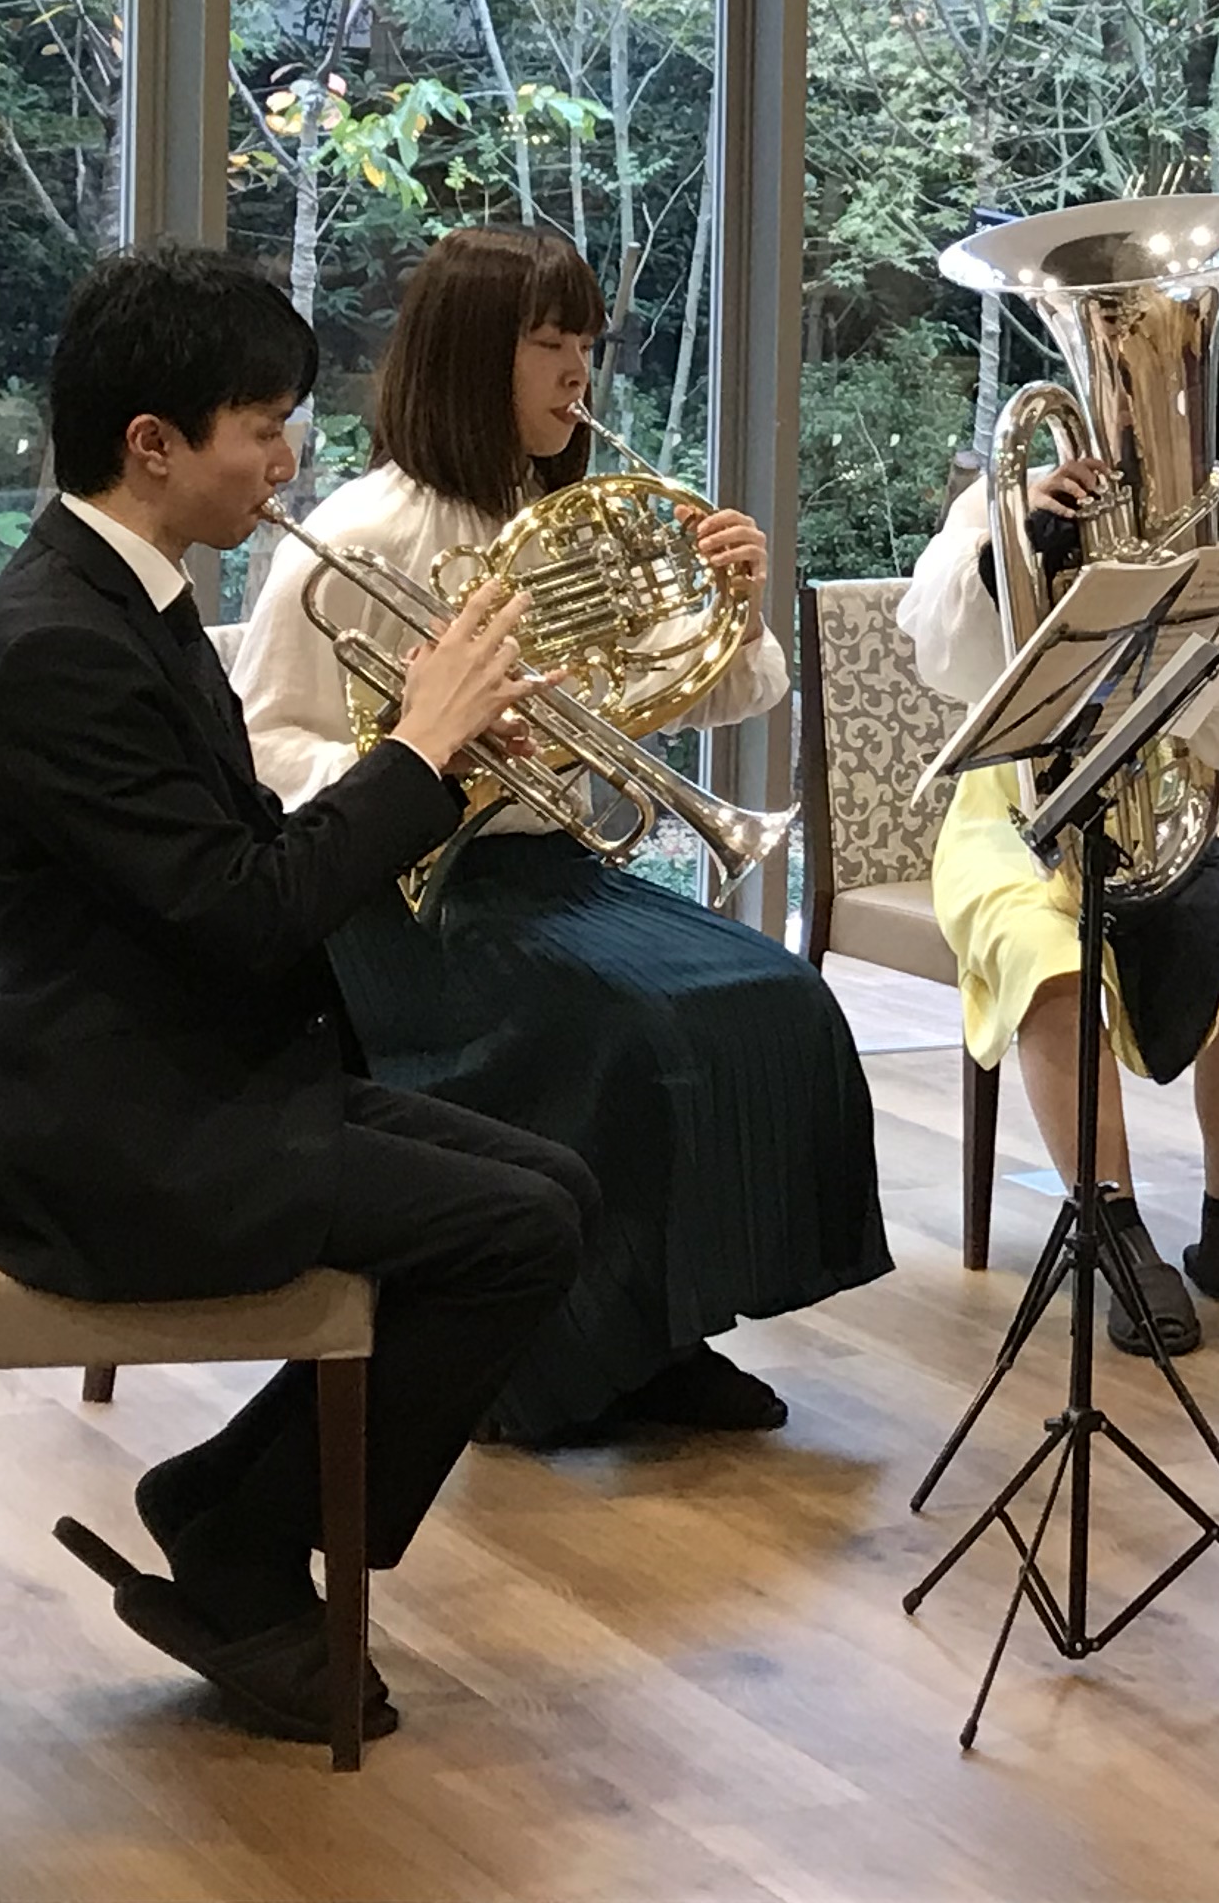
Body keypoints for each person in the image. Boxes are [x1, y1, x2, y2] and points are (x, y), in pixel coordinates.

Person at [0, 245, 593, 1746]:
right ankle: (245, 1550)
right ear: (153, 444)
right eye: (262, 429)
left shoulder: (132, 601)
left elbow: (238, 862)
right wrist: (415, 754)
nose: (288, 461)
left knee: (557, 1187)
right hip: (112, 1132)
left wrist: (439, 766)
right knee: (516, 1232)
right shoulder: (54, 647)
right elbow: (246, 914)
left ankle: (222, 1504)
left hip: (195, 1078)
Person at [234, 225, 888, 1444]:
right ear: (471, 354)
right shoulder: (367, 529)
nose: (578, 370)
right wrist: (424, 755)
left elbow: (730, 693)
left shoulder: (573, 519)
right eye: (547, 342)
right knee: (630, 1031)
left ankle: (664, 1330)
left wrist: (734, 606)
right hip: (410, 897)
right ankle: (556, 1357)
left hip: (554, 875)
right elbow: (262, 747)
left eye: (587, 341)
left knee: (778, 998)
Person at [902, 447, 1219, 1357]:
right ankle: (1113, 1228)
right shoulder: (999, 502)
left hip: (1168, 798)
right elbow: (943, 658)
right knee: (1053, 960)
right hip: (1013, 808)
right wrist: (1014, 546)